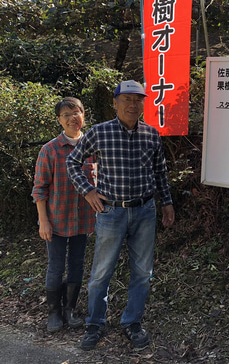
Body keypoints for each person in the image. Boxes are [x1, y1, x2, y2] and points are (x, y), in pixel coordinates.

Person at [66, 80, 175, 351]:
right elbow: (73, 162)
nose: (132, 104)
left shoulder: (151, 135)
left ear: (143, 103)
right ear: (115, 103)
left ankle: (132, 322)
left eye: (138, 99)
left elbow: (160, 173)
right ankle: (95, 324)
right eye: (126, 99)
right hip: (110, 211)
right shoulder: (100, 132)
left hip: (145, 211)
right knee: (101, 272)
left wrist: (167, 204)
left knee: (142, 272)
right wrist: (88, 192)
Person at [32, 97, 96, 333]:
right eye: (67, 114)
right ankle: (54, 313)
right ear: (59, 119)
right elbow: (39, 188)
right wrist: (44, 221)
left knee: (78, 265)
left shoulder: (92, 148)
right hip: (56, 220)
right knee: (56, 266)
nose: (73, 118)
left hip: (83, 219)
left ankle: (70, 309)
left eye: (77, 112)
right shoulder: (49, 150)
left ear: (83, 115)